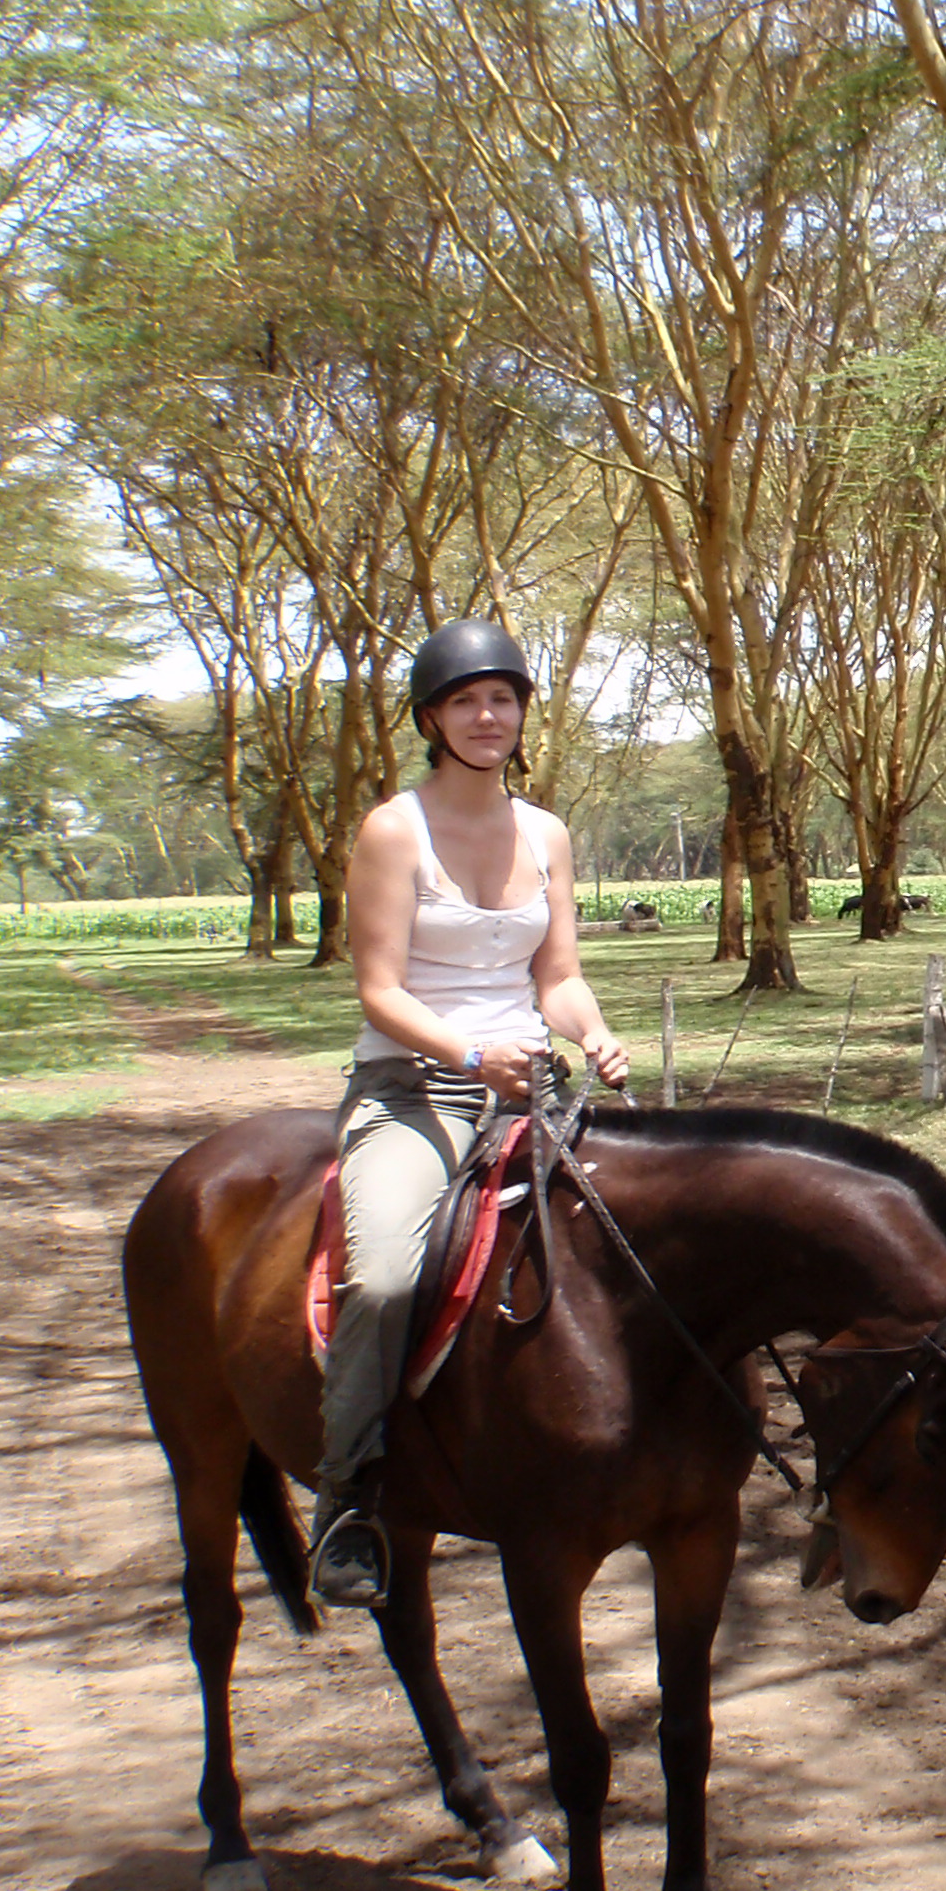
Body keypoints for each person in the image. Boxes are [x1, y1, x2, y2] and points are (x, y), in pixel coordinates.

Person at [308, 616, 634, 1610]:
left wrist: (593, 1032)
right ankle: (348, 1500)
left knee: (646, 1237)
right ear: (431, 719)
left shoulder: (546, 835)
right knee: (388, 1275)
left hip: (533, 1084)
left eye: (502, 698)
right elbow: (379, 990)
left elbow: (560, 975)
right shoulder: (392, 829)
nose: (487, 716)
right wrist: (470, 1054)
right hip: (418, 1088)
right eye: (465, 701)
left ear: (522, 713)